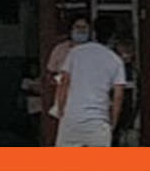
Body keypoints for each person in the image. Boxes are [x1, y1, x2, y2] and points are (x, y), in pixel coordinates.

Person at [53, 26, 128, 147]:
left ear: (93, 33)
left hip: (72, 118)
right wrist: (113, 123)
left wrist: (61, 110)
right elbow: (118, 96)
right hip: (98, 121)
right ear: (113, 38)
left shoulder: (75, 52)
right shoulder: (115, 60)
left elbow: (64, 83)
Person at [42, 16, 90, 144]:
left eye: (84, 27)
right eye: (77, 27)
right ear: (71, 29)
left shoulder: (94, 51)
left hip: (89, 102)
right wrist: (59, 81)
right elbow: (49, 75)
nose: (81, 30)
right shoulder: (60, 49)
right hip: (65, 102)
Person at [19, 60, 45, 144]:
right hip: (32, 104)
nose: (34, 71)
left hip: (41, 104)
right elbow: (24, 92)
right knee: (33, 123)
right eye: (32, 69)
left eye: (35, 69)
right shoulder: (26, 81)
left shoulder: (41, 79)